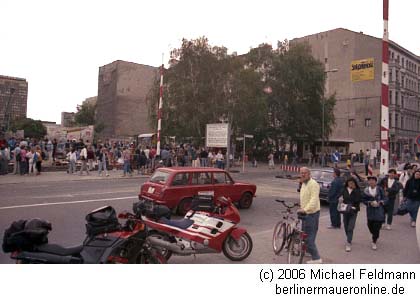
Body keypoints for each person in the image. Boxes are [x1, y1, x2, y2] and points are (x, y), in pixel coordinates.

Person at [298, 167, 322, 263]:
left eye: (305, 173)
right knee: (304, 235)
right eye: (301, 173)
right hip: (305, 213)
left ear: (309, 174)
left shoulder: (313, 184)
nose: (302, 174)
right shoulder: (304, 183)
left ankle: (316, 258)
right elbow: (304, 197)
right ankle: (308, 250)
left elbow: (314, 200)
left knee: (309, 238)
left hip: (312, 214)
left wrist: (305, 209)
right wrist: (301, 207)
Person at [362, 176, 387, 250]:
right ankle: (375, 234)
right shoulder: (366, 190)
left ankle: (374, 241)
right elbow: (363, 200)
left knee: (377, 226)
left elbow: (385, 198)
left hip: (379, 210)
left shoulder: (380, 189)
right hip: (370, 211)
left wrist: (381, 202)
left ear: (376, 182)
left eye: (373, 180)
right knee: (370, 225)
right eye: (370, 180)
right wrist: (369, 203)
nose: (371, 182)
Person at [341, 177, 362, 252]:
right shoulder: (344, 189)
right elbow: (340, 197)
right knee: (346, 226)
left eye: (352, 183)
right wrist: (340, 200)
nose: (351, 184)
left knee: (351, 227)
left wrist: (355, 190)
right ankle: (349, 237)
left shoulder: (357, 190)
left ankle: (348, 242)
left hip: (353, 211)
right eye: (349, 183)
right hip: (345, 210)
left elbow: (359, 199)